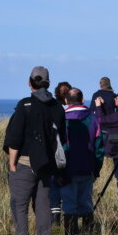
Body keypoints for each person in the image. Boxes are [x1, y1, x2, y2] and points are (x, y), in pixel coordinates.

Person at [4, 66, 65, 235]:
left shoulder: (25, 105)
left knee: (19, 204)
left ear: (30, 83)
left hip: (24, 162)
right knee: (43, 204)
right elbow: (62, 136)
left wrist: (12, 163)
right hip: (47, 163)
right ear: (48, 83)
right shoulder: (57, 107)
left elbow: (14, 138)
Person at [61, 88, 105, 235]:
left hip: (67, 169)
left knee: (69, 204)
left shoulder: (62, 119)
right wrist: (96, 169)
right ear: (83, 100)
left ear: (66, 101)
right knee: (86, 202)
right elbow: (100, 147)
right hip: (87, 168)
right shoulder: (93, 119)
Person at [49, 81, 72, 225]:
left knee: (53, 183)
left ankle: (55, 216)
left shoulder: (52, 107)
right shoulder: (65, 110)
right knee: (64, 182)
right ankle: (67, 214)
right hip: (65, 150)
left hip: (51, 150)